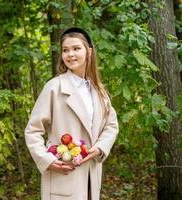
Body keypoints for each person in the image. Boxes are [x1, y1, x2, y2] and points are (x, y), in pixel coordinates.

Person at [25, 27, 119, 200]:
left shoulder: (98, 91)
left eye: (76, 48)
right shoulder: (54, 87)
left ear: (89, 52)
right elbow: (33, 130)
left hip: (91, 176)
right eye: (65, 50)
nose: (70, 55)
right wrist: (47, 160)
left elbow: (111, 125)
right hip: (64, 176)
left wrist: (99, 148)